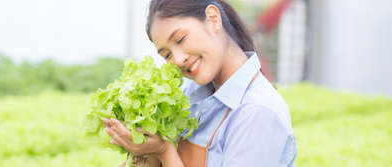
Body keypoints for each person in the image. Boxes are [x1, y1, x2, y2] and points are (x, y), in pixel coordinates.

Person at [102, 0, 297, 166]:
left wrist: (164, 151)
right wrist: (144, 147)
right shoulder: (188, 96)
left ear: (213, 19)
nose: (177, 60)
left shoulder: (257, 112)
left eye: (180, 39)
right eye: (167, 55)